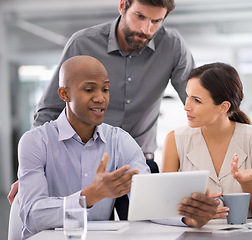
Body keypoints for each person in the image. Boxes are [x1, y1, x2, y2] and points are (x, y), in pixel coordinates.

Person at [8, 0, 194, 205]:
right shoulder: (83, 43)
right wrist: (33, 172)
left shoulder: (172, 46)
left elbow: (197, 101)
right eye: (139, 16)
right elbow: (50, 109)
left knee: (148, 228)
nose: (145, 28)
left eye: (156, 21)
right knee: (74, 226)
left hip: (137, 164)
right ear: (122, 6)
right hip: (82, 164)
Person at [18, 56, 217, 239]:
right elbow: (32, 217)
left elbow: (149, 202)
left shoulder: (120, 141)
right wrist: (90, 196)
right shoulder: (35, 142)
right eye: (89, 90)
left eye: (105, 89)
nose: (100, 98)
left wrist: (187, 217)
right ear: (64, 94)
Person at [162, 62, 252, 219]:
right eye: (188, 96)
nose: (186, 106)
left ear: (223, 107)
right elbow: (164, 209)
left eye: (197, 100)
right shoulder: (175, 140)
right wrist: (197, 215)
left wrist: (247, 184)